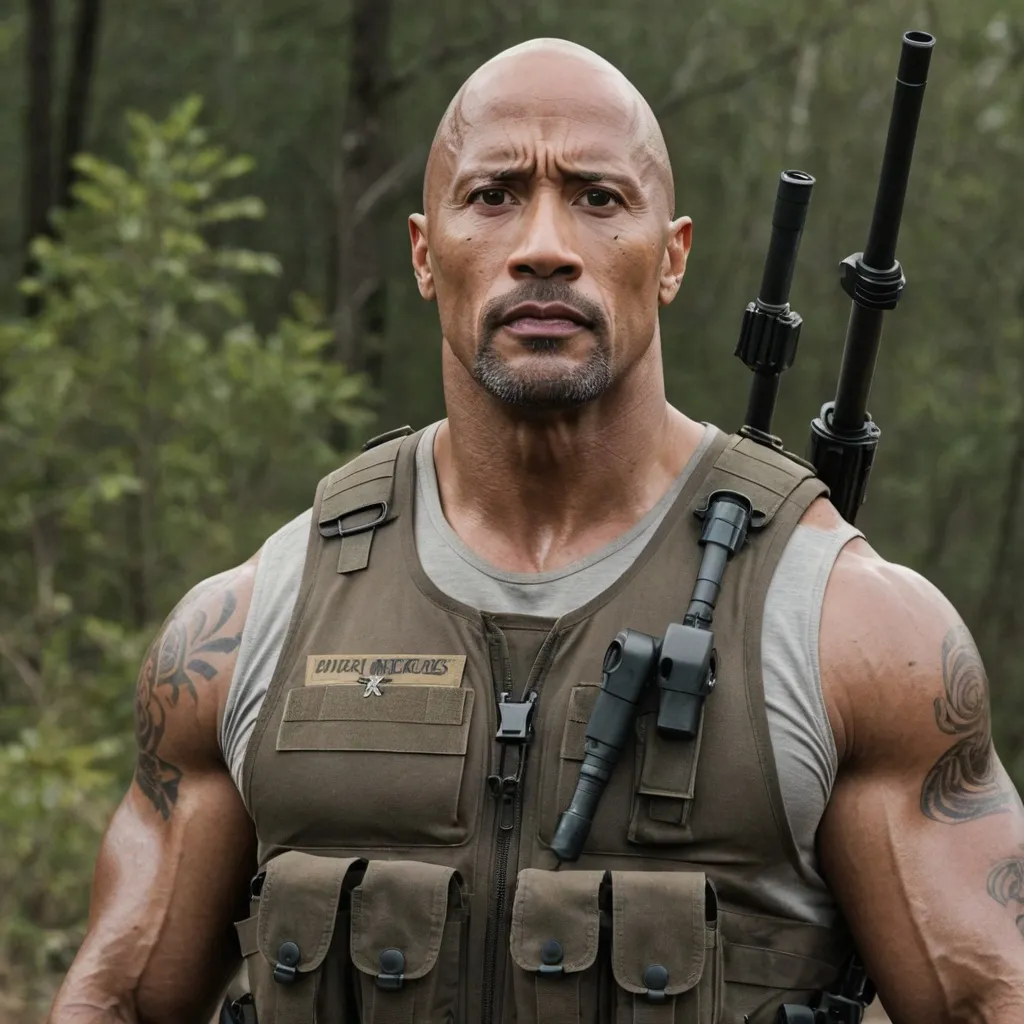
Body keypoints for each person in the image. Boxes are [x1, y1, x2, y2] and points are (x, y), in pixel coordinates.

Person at [49, 37, 1024, 1024]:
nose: (545, 245)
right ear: (424, 254)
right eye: (493, 196)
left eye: (598, 198)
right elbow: (119, 999)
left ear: (672, 256)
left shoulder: (855, 635)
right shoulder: (250, 628)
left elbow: (991, 996)